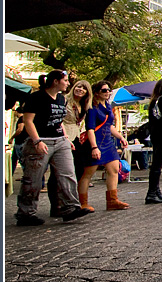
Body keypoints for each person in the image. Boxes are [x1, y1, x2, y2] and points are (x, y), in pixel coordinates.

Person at [15, 70, 92, 226]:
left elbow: (59, 121)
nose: (68, 83)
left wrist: (65, 138)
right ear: (55, 81)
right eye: (65, 80)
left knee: (68, 174)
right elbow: (28, 121)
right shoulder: (36, 98)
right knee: (33, 179)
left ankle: (70, 208)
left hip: (60, 141)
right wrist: (37, 141)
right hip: (40, 141)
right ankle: (26, 213)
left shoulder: (61, 99)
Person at [76, 80, 130, 211]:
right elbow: (90, 129)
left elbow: (109, 125)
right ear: (96, 93)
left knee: (114, 169)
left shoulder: (107, 105)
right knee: (88, 174)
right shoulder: (92, 108)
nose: (108, 92)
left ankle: (112, 200)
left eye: (108, 90)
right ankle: (82, 202)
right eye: (104, 90)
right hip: (96, 141)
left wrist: (121, 137)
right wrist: (94, 147)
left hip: (108, 142)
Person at [47, 79, 92, 215]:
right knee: (57, 172)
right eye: (78, 86)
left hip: (77, 137)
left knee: (77, 169)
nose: (80, 89)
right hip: (62, 135)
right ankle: (56, 205)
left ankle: (68, 202)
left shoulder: (84, 105)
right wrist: (65, 136)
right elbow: (57, 118)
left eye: (84, 88)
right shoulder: (63, 100)